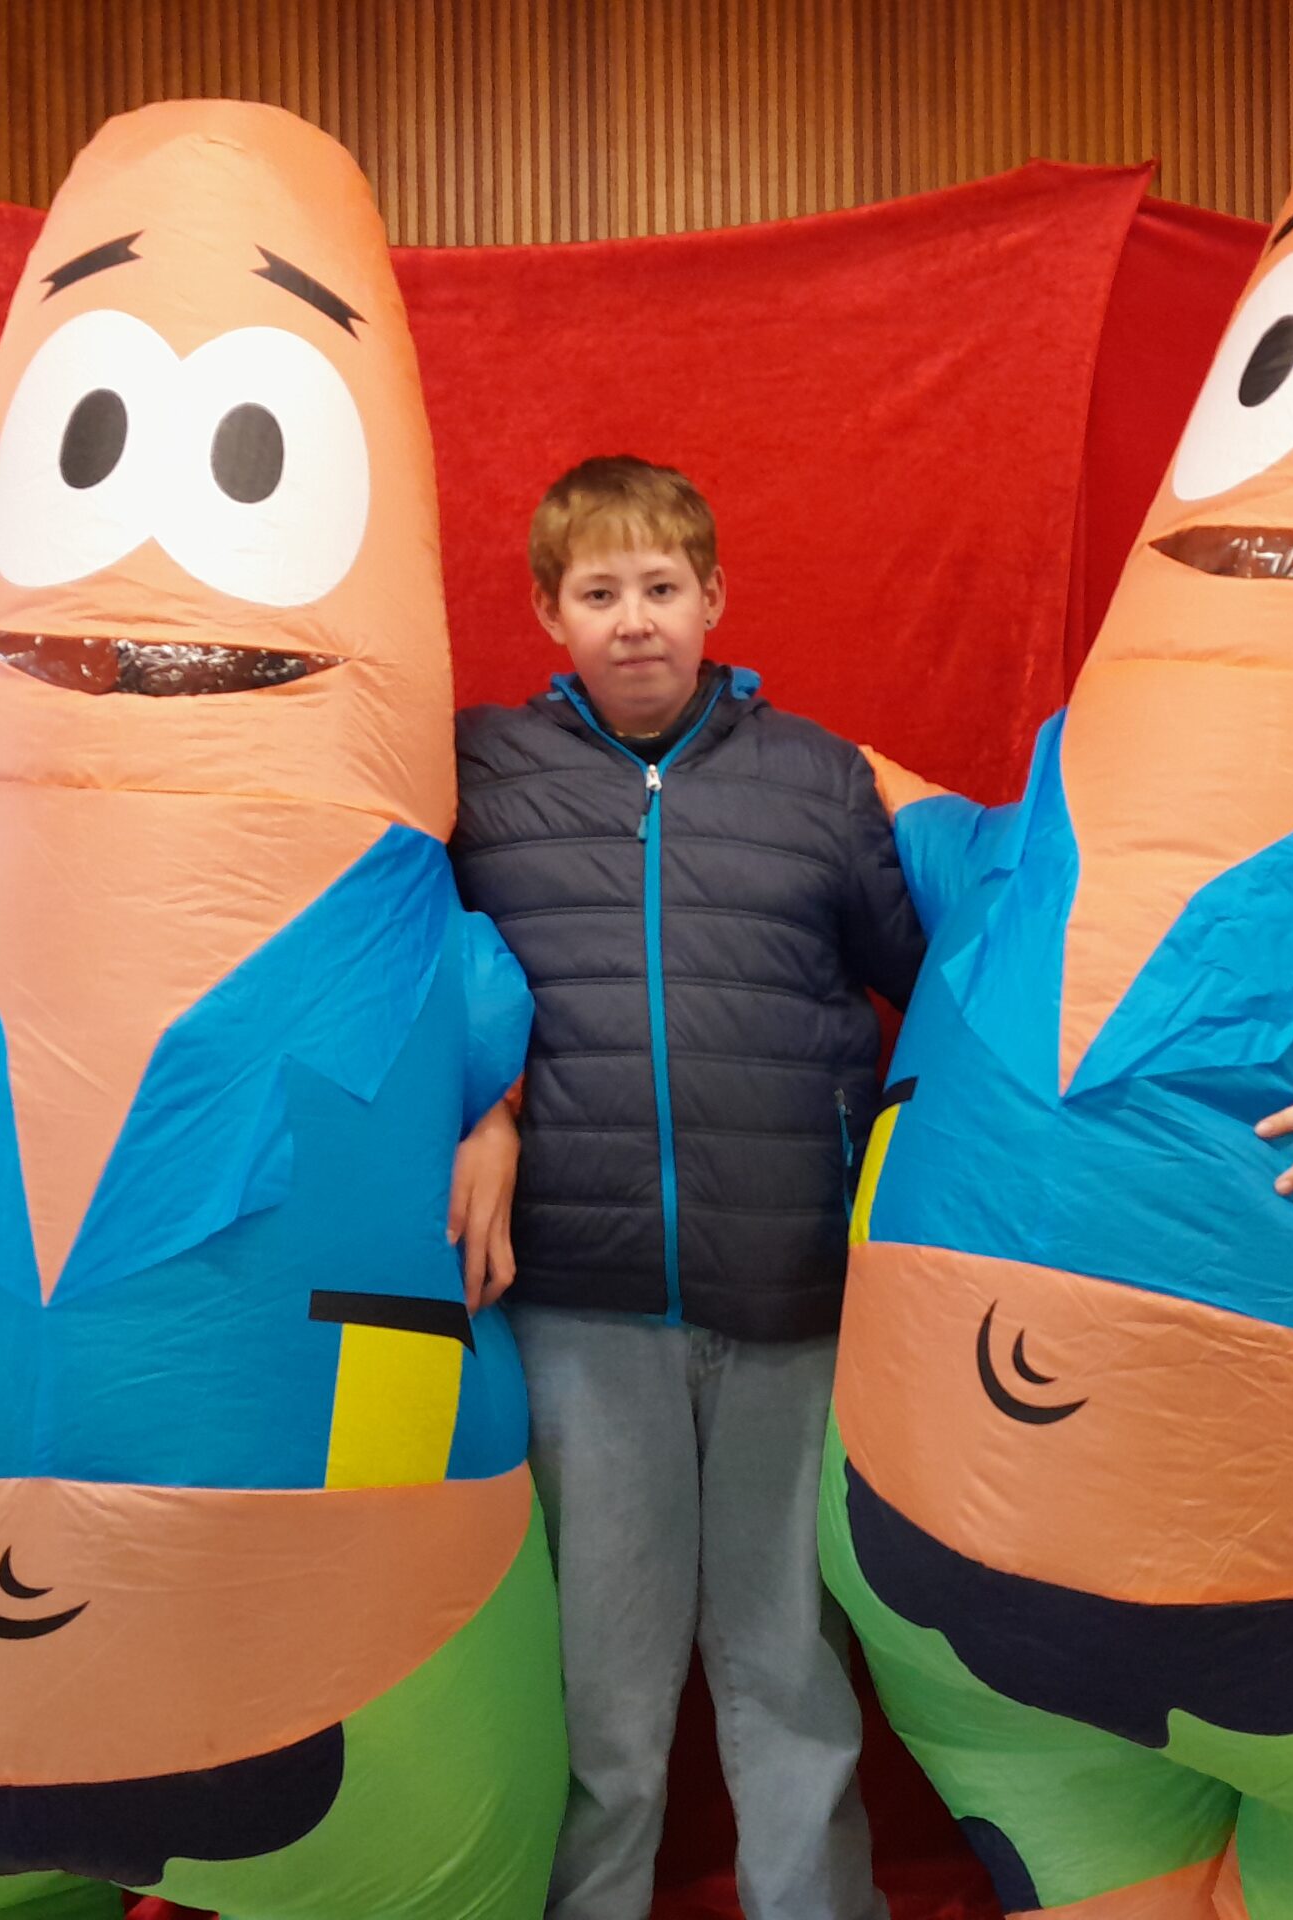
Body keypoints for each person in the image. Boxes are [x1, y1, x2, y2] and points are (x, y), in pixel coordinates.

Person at [450, 455, 921, 1920]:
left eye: (662, 586)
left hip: (790, 1291)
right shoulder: (480, 780)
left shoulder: (819, 780)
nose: (636, 619)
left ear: (714, 597)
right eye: (600, 592)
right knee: (602, 1691)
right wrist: (487, 1109)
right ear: (550, 612)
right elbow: (411, 972)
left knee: (791, 1669)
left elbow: (933, 979)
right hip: (579, 1301)